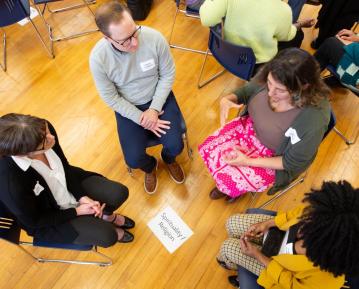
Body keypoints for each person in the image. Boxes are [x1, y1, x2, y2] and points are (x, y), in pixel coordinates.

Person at [198, 48, 331, 200]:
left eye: (280, 90)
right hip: (249, 130)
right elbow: (246, 91)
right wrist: (228, 99)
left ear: (304, 86)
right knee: (209, 147)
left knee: (229, 179)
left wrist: (247, 161)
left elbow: (290, 163)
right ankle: (228, 185)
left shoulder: (314, 119)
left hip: (273, 157)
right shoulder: (274, 76)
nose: (269, 92)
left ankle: (231, 188)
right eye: (269, 83)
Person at [89, 1, 185, 195]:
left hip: (159, 99)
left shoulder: (154, 38)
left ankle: (169, 159)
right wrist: (141, 118)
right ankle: (151, 167)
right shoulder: (98, 59)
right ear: (106, 38)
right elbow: (111, 97)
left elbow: (168, 74)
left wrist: (154, 109)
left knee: (176, 145)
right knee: (133, 159)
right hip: (128, 106)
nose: (135, 43)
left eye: (135, 31)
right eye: (125, 40)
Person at [0, 113, 134, 247]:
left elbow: (64, 165)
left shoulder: (41, 131)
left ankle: (107, 216)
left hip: (65, 181)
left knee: (118, 193)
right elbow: (36, 220)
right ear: (23, 153)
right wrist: (77, 211)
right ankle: (105, 224)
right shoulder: (10, 183)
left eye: (47, 131)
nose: (51, 137)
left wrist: (81, 196)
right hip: (49, 216)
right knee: (108, 236)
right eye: (45, 141)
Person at [217, 180, 359, 289]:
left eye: (309, 234)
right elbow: (295, 214)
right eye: (308, 219)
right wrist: (268, 223)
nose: (299, 227)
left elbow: (291, 285)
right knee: (231, 223)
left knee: (227, 248)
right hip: (276, 233)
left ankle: (229, 264)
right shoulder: (329, 211)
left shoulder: (328, 281)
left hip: (276, 268)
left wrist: (258, 256)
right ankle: (234, 262)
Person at [199, 0, 314, 65]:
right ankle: (274, 75)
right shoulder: (283, 11)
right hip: (255, 64)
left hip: (225, 53)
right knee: (298, 35)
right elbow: (286, 36)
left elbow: (207, 19)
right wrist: (300, 24)